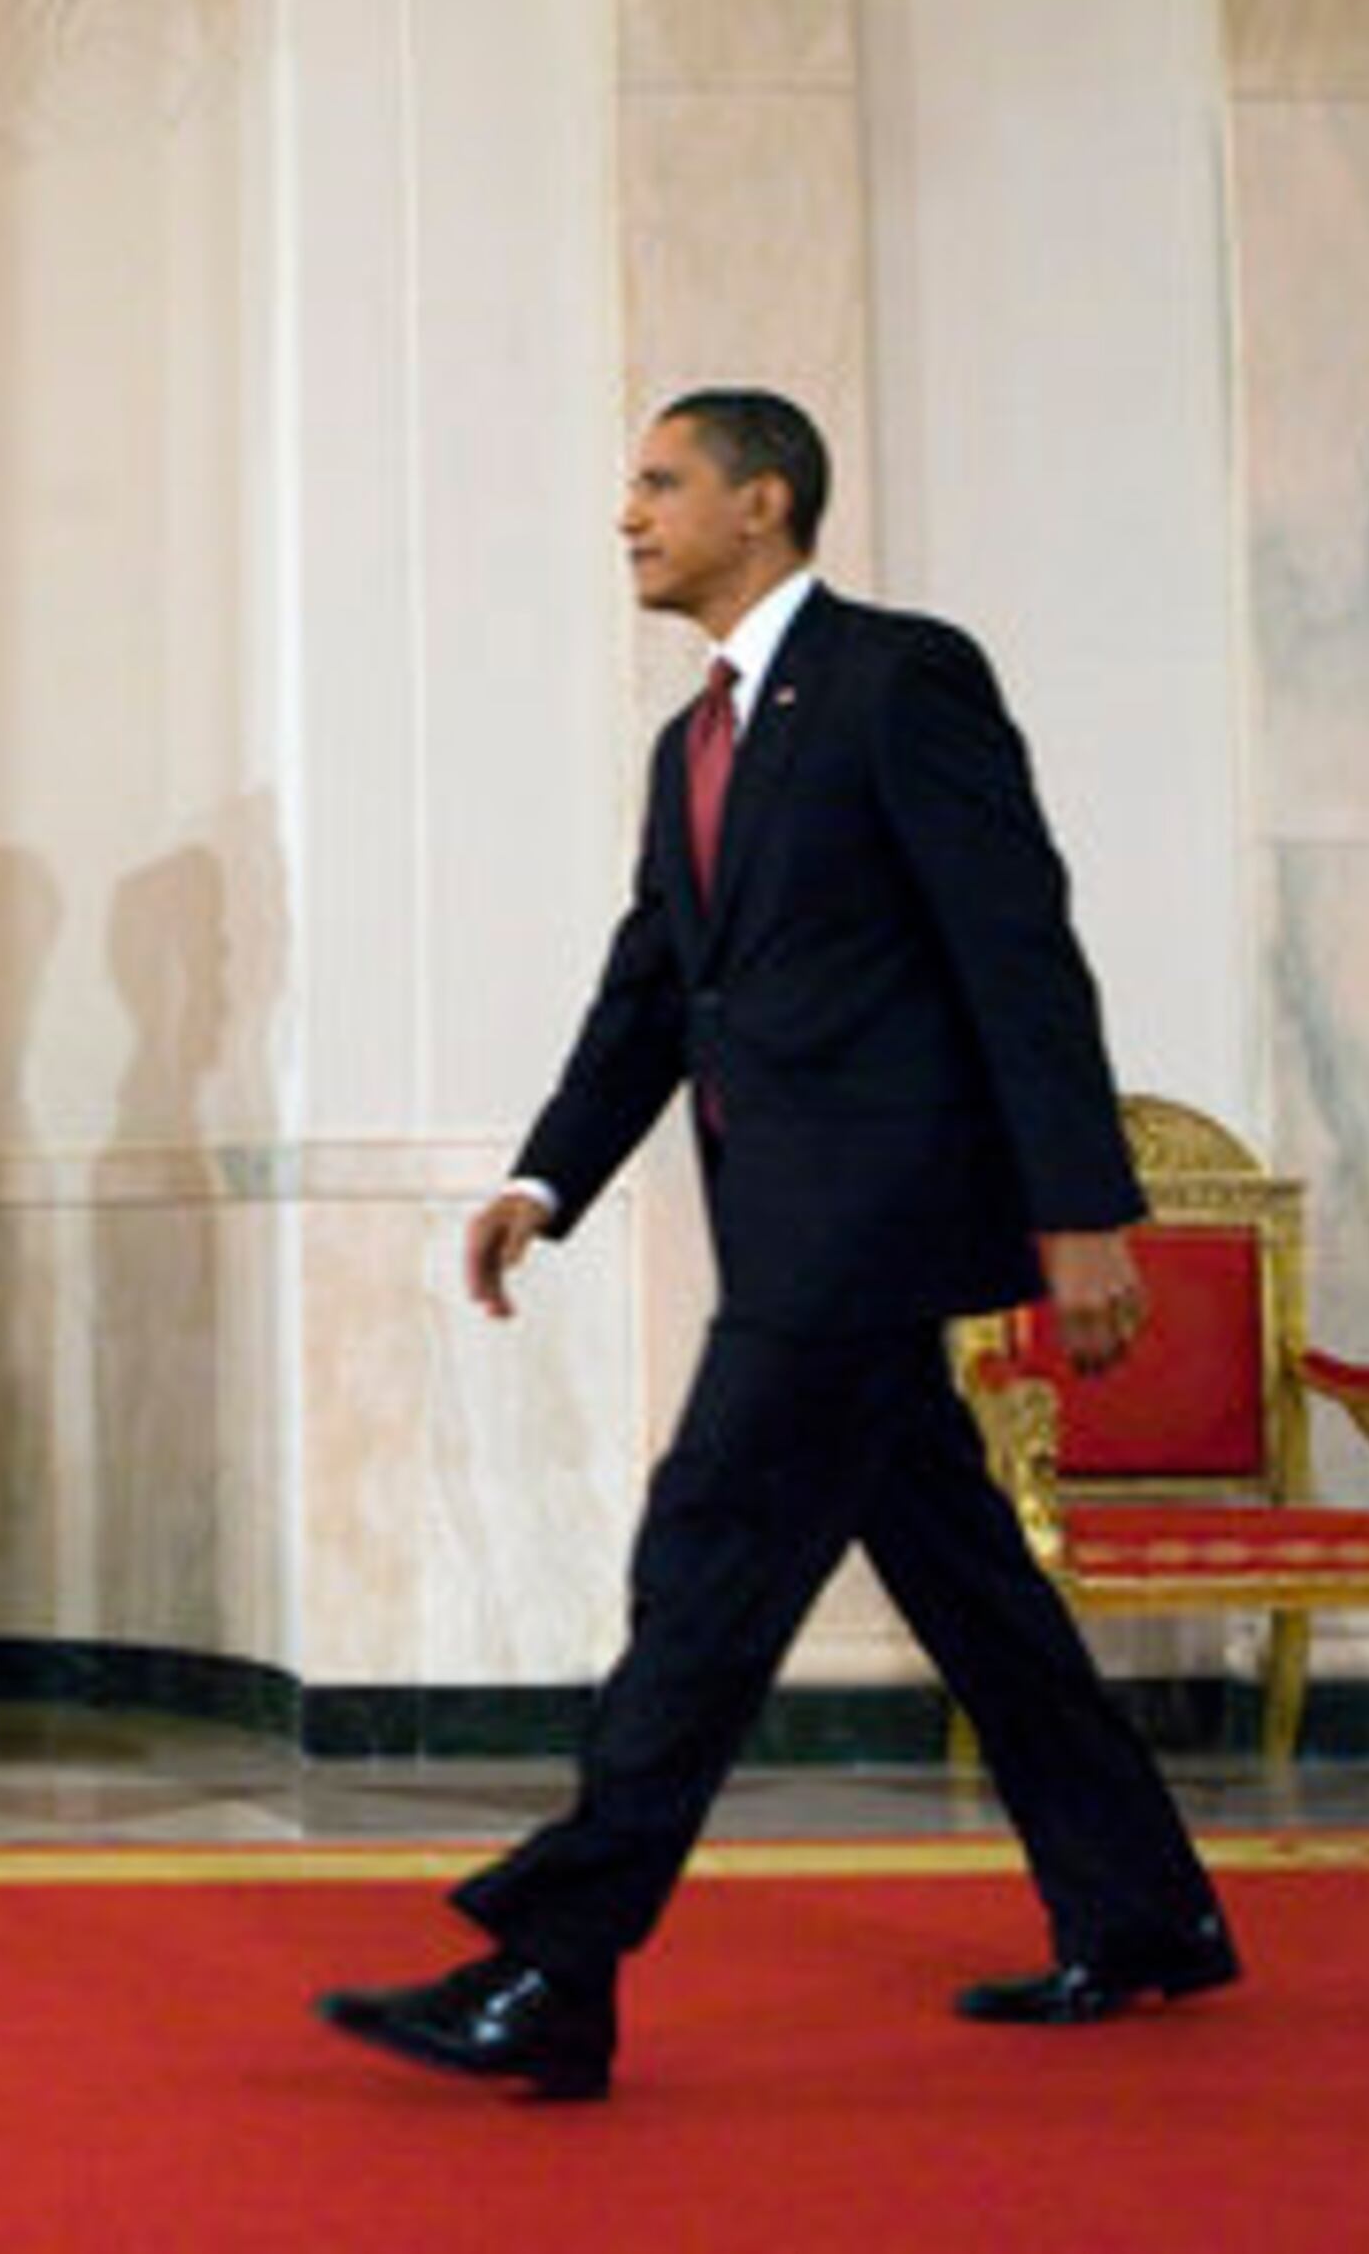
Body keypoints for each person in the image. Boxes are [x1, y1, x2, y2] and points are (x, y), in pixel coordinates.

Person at [318, 388, 1234, 2103]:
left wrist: (1088, 1207)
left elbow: (1017, 944)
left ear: (765, 497)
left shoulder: (903, 677)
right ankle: (1146, 1909)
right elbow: (658, 986)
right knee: (970, 1584)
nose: (628, 514)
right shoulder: (694, 748)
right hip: (795, 1229)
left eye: (661, 482)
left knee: (707, 1561)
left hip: (868, 1221)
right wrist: (548, 1177)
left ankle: (553, 1970)